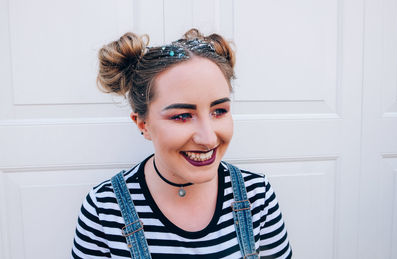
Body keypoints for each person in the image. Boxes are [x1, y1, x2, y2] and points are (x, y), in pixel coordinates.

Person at [72, 29, 292, 259]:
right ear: (143, 124)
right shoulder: (104, 209)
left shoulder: (257, 195)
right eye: (182, 116)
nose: (208, 138)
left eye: (219, 111)